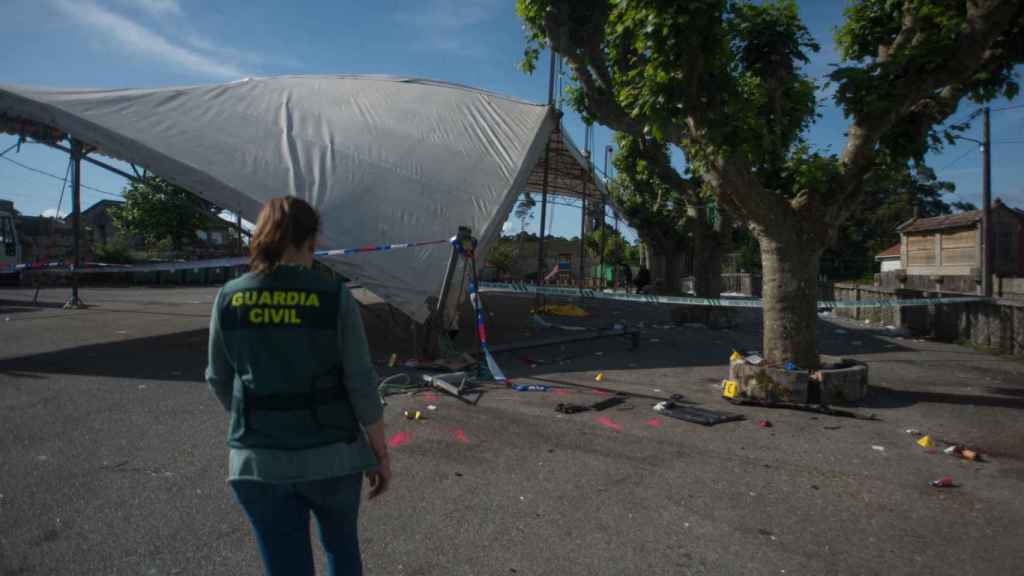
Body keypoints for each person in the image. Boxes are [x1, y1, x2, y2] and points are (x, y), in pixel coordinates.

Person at [206, 196, 390, 576]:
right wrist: (379, 453)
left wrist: (258, 417)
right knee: (341, 550)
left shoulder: (230, 296)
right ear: (312, 241)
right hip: (333, 459)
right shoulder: (334, 296)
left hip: (257, 463)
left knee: (284, 565)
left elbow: (219, 378)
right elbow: (360, 381)